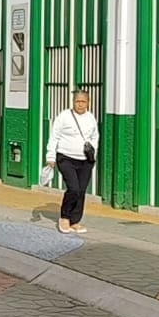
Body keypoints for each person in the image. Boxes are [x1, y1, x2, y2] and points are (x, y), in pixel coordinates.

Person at [45, 90, 99, 234]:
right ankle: (64, 217)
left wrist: (93, 151)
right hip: (66, 157)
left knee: (81, 191)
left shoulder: (91, 118)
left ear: (88, 103)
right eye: (78, 101)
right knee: (73, 188)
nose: (80, 105)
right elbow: (54, 137)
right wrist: (50, 156)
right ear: (73, 102)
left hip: (85, 160)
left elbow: (95, 137)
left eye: (83, 102)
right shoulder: (64, 116)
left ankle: (75, 220)